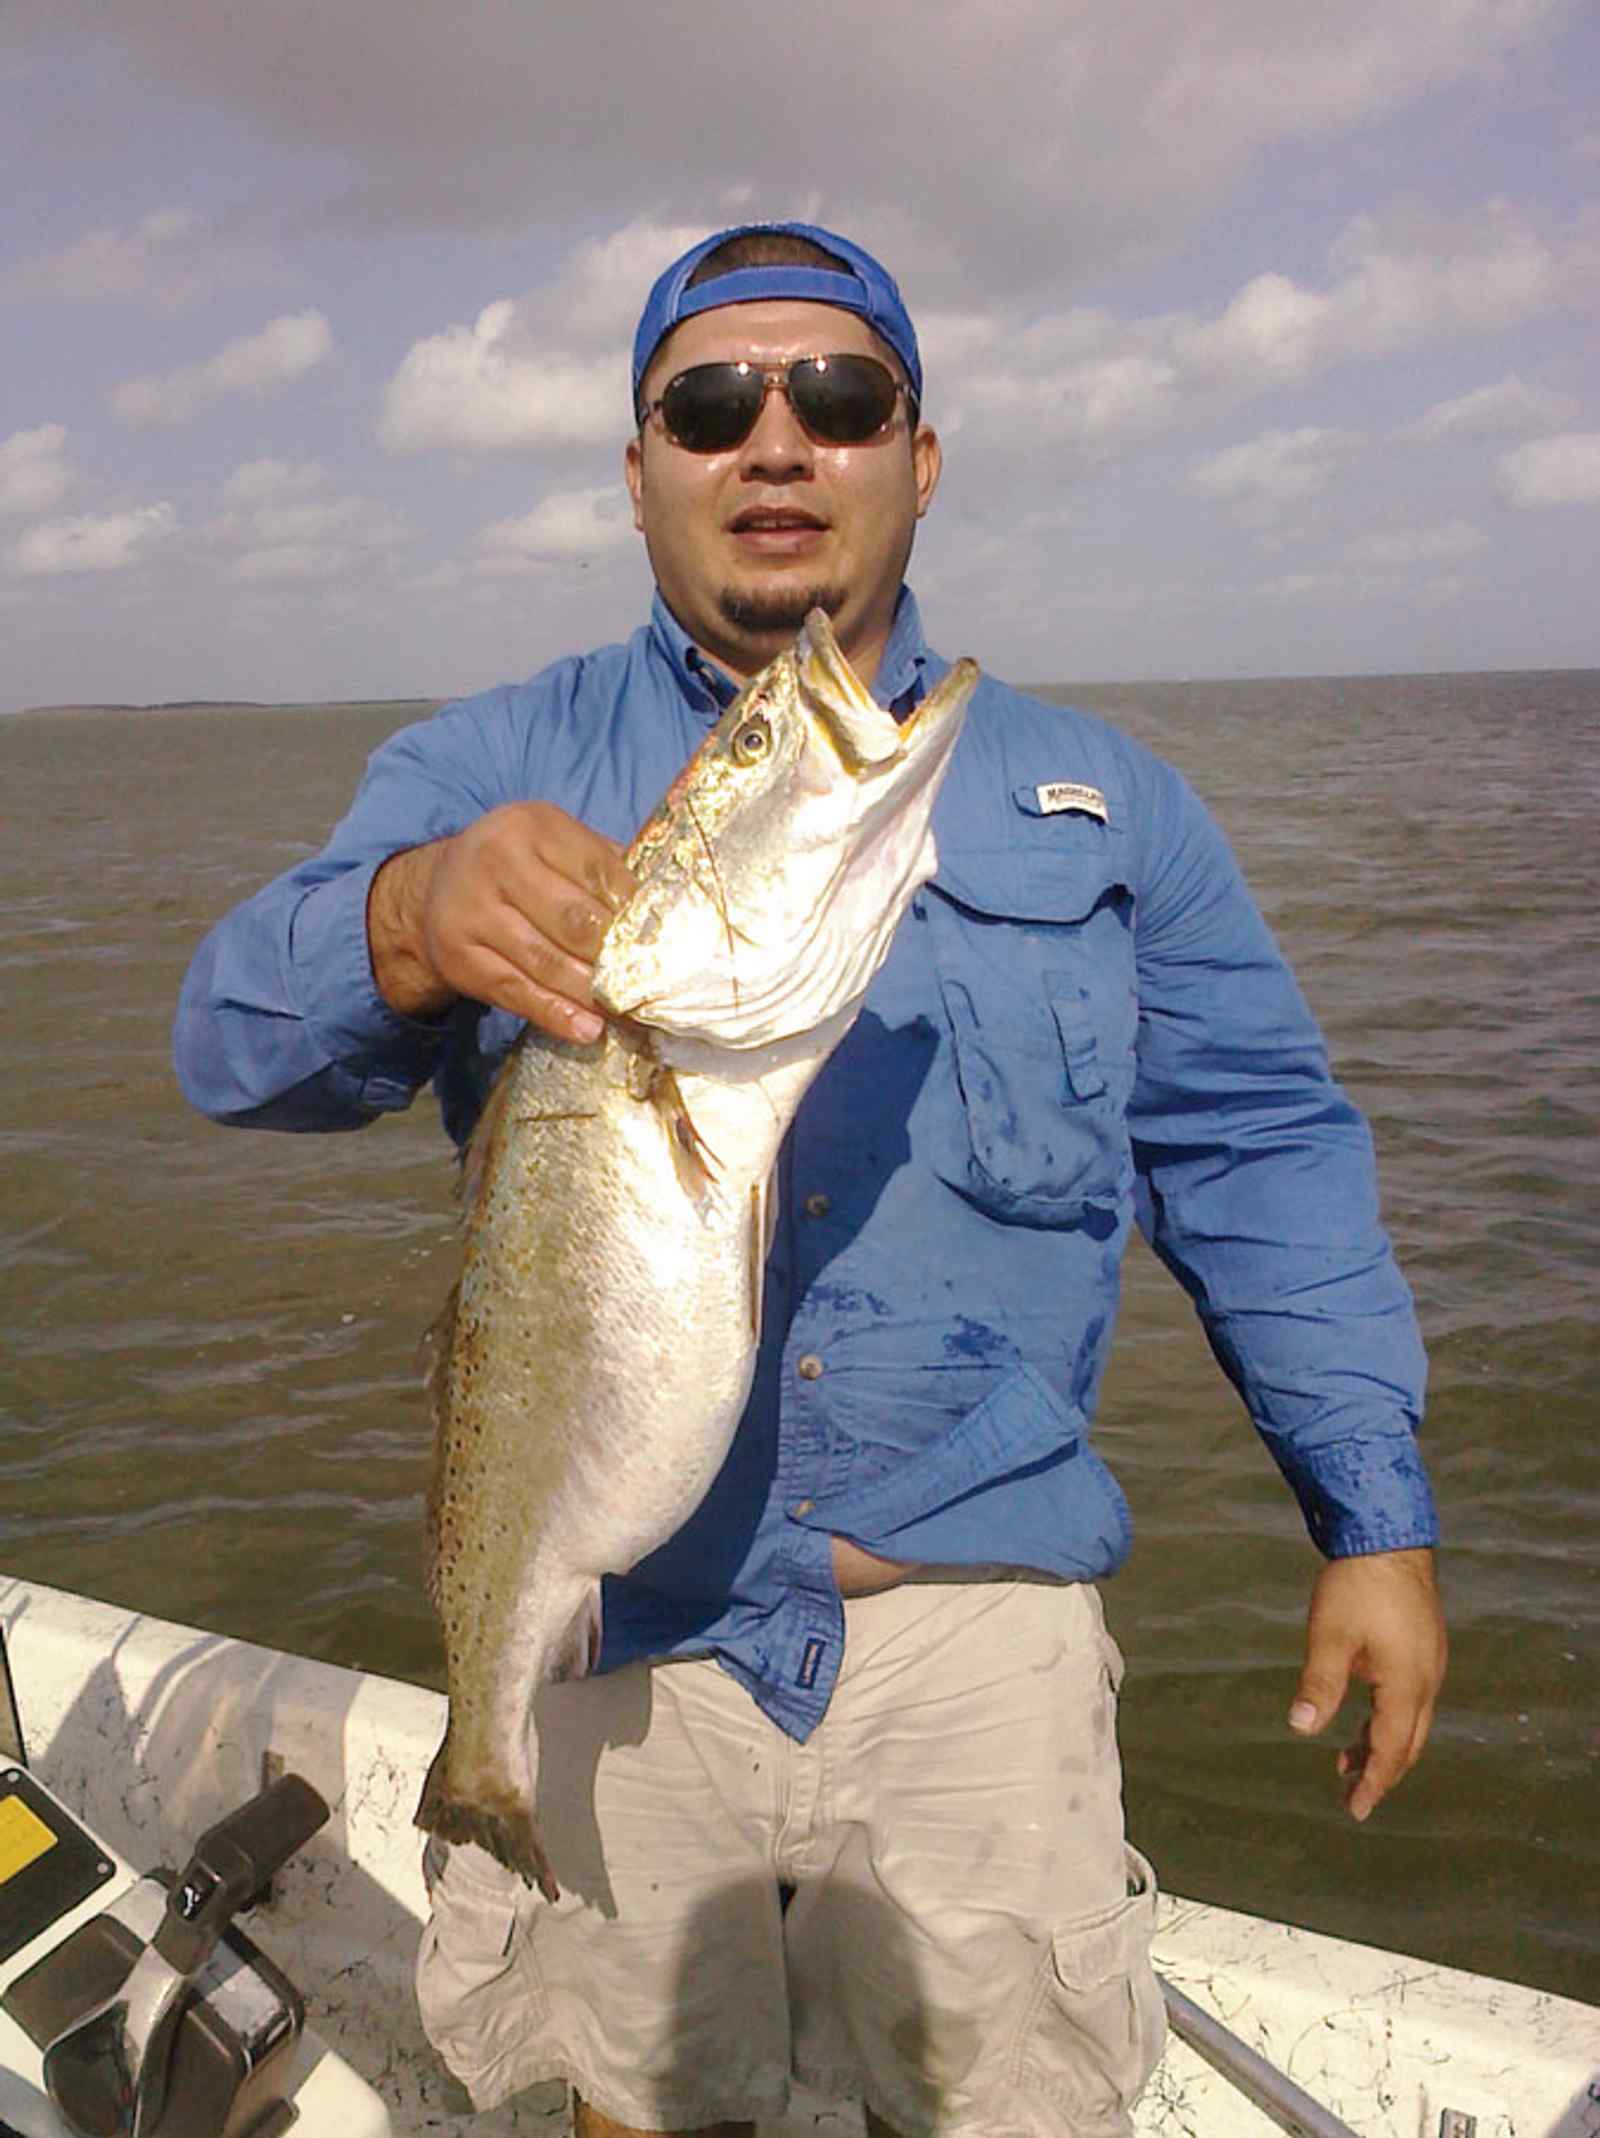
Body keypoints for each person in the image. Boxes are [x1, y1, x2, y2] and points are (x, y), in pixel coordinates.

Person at [173, 221, 1447, 2138]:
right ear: (639, 469)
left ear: (919, 456)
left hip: (978, 1639)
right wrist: (406, 918)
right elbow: (225, 1046)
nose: (775, 440)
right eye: (710, 404)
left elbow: (1261, 1152)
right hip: (622, 1629)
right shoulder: (496, 758)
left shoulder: (1105, 800)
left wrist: (1376, 1519)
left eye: (838, 396)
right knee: (637, 2109)